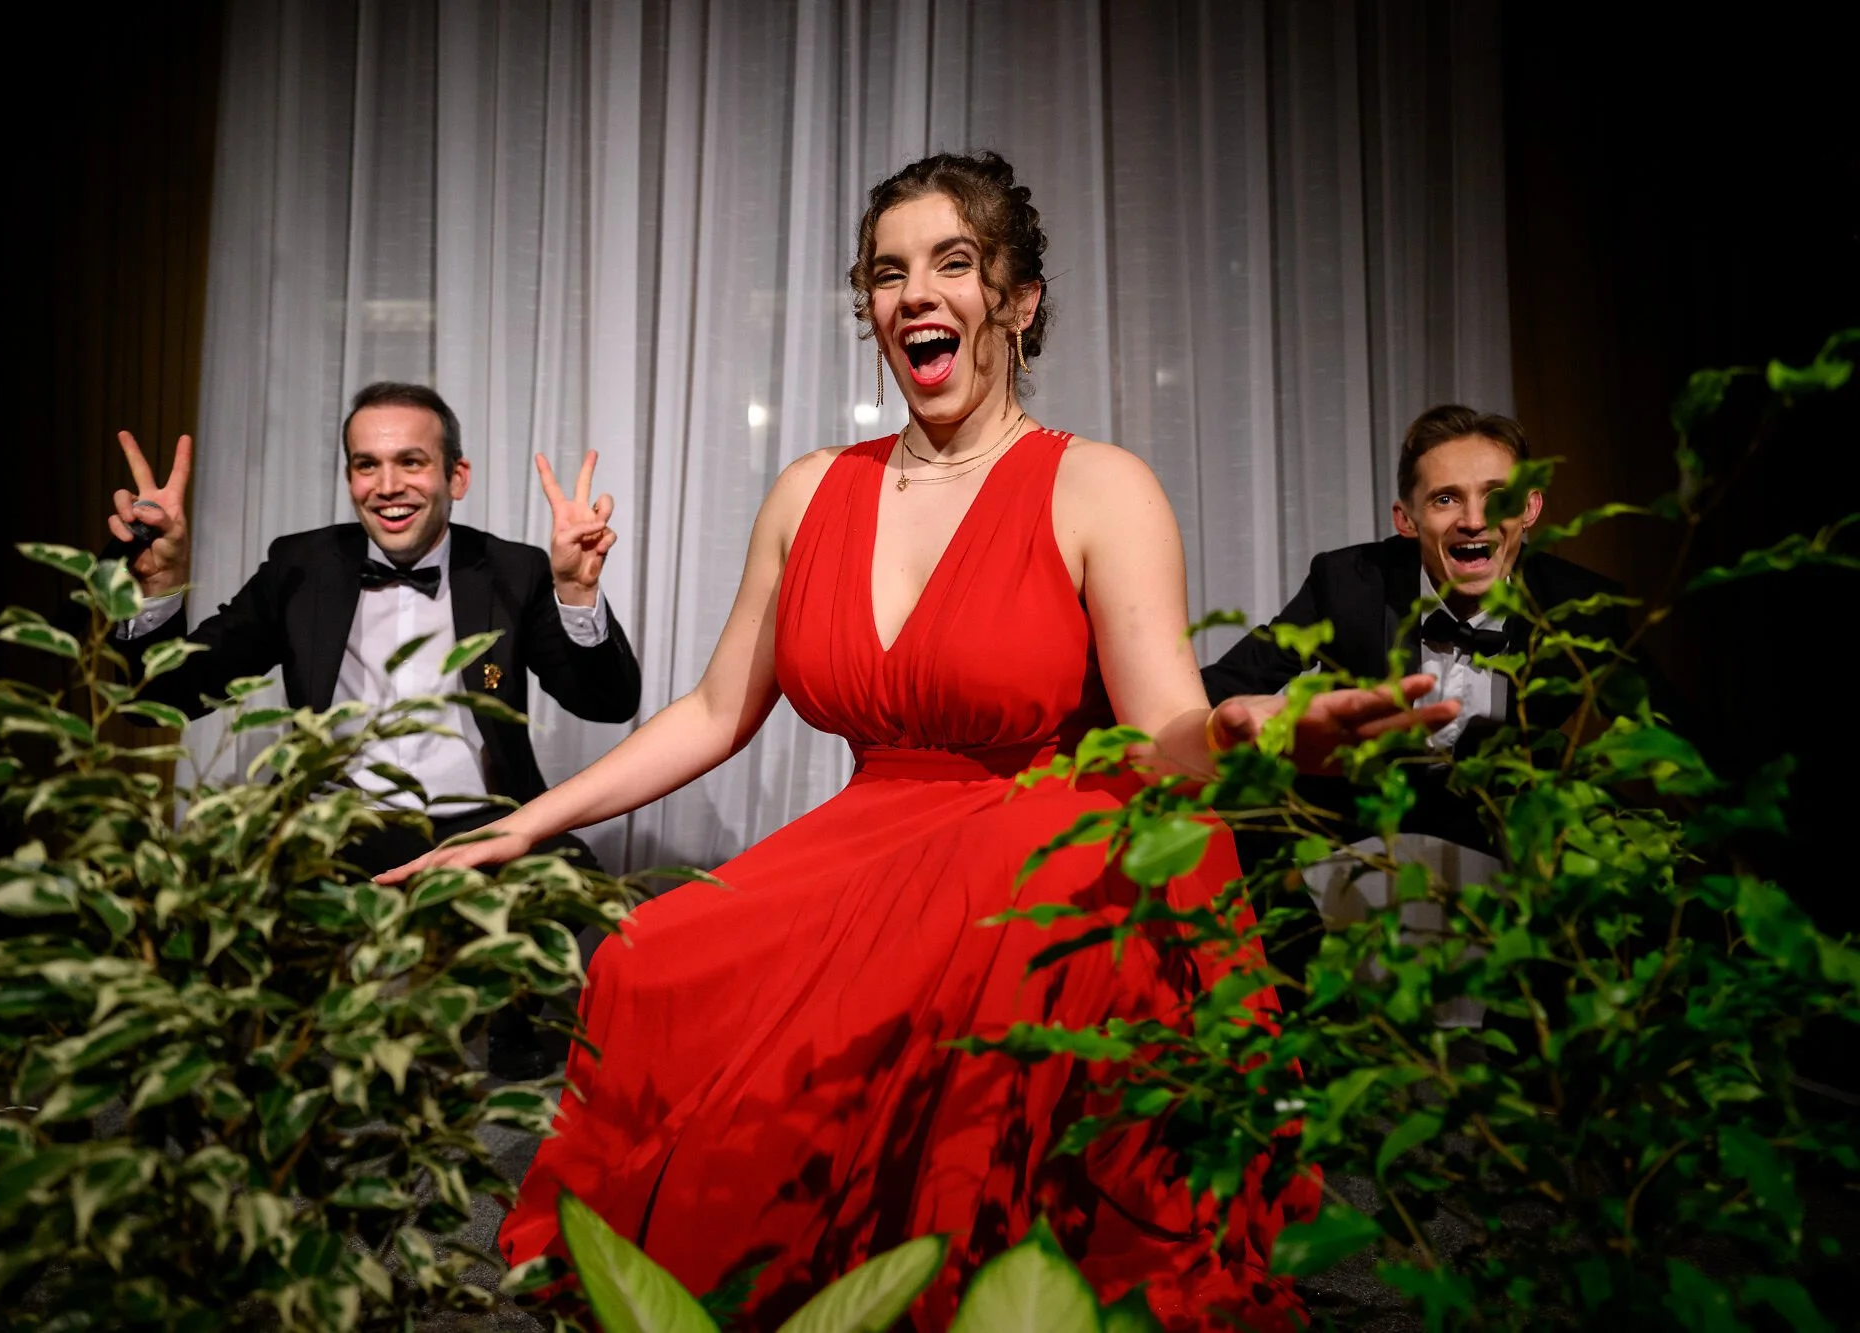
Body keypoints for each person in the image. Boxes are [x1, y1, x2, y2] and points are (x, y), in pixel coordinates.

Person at [379, 153, 1456, 1331]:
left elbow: (1162, 737)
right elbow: (714, 710)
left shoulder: (1097, 486)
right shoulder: (809, 491)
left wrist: (1259, 735)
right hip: (879, 831)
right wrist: (520, 827)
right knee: (647, 956)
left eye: (952, 262)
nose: (913, 293)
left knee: (981, 970)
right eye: (887, 273)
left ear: (1017, 300)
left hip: (1047, 838)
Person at [106, 381, 643, 1074]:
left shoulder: (513, 569)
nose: (387, 486)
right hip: (339, 820)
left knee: (586, 894)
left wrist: (576, 593)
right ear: (350, 477)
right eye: (367, 464)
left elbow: (606, 702)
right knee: (230, 921)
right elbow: (174, 695)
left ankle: (512, 1019)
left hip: (482, 820)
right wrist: (159, 589)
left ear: (456, 476)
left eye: (411, 462)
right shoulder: (301, 566)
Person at [1202, 405, 1630, 847]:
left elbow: (1666, 725)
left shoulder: (1581, 605)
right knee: (1223, 829)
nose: (1474, 521)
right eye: (1446, 499)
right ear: (1406, 518)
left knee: (1633, 848)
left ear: (1529, 507)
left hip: (1508, 789)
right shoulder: (1348, 582)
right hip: (1359, 783)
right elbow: (1230, 681)